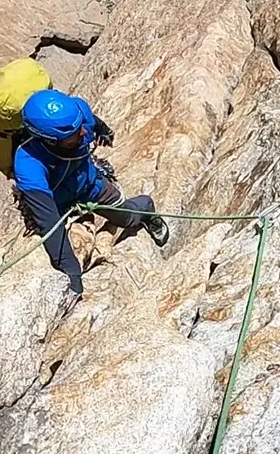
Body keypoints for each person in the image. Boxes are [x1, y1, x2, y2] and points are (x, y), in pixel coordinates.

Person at [13, 88, 169, 301]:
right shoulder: (28, 163)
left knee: (127, 218)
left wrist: (104, 131)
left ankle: (146, 208)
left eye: (80, 127)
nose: (83, 133)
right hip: (58, 204)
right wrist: (73, 273)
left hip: (91, 185)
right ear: (49, 140)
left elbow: (92, 121)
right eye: (73, 135)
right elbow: (49, 223)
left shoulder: (78, 114)